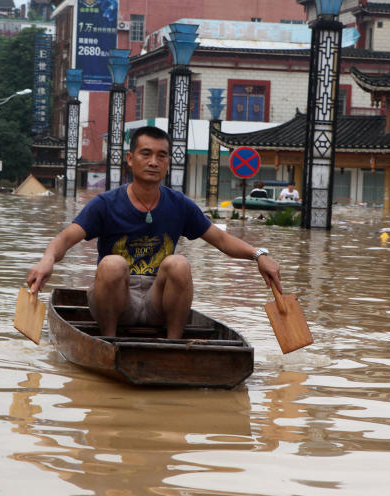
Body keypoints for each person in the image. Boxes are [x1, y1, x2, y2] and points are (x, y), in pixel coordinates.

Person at [27, 126, 281, 340]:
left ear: (168, 162)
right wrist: (46, 261)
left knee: (178, 263)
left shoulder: (179, 204)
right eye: (146, 154)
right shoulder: (106, 203)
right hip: (116, 300)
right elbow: (65, 238)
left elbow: (222, 240)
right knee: (113, 263)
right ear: (130, 158)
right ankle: (108, 341)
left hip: (159, 300)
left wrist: (259, 255)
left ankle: (172, 348)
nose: (153, 162)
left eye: (161, 156)